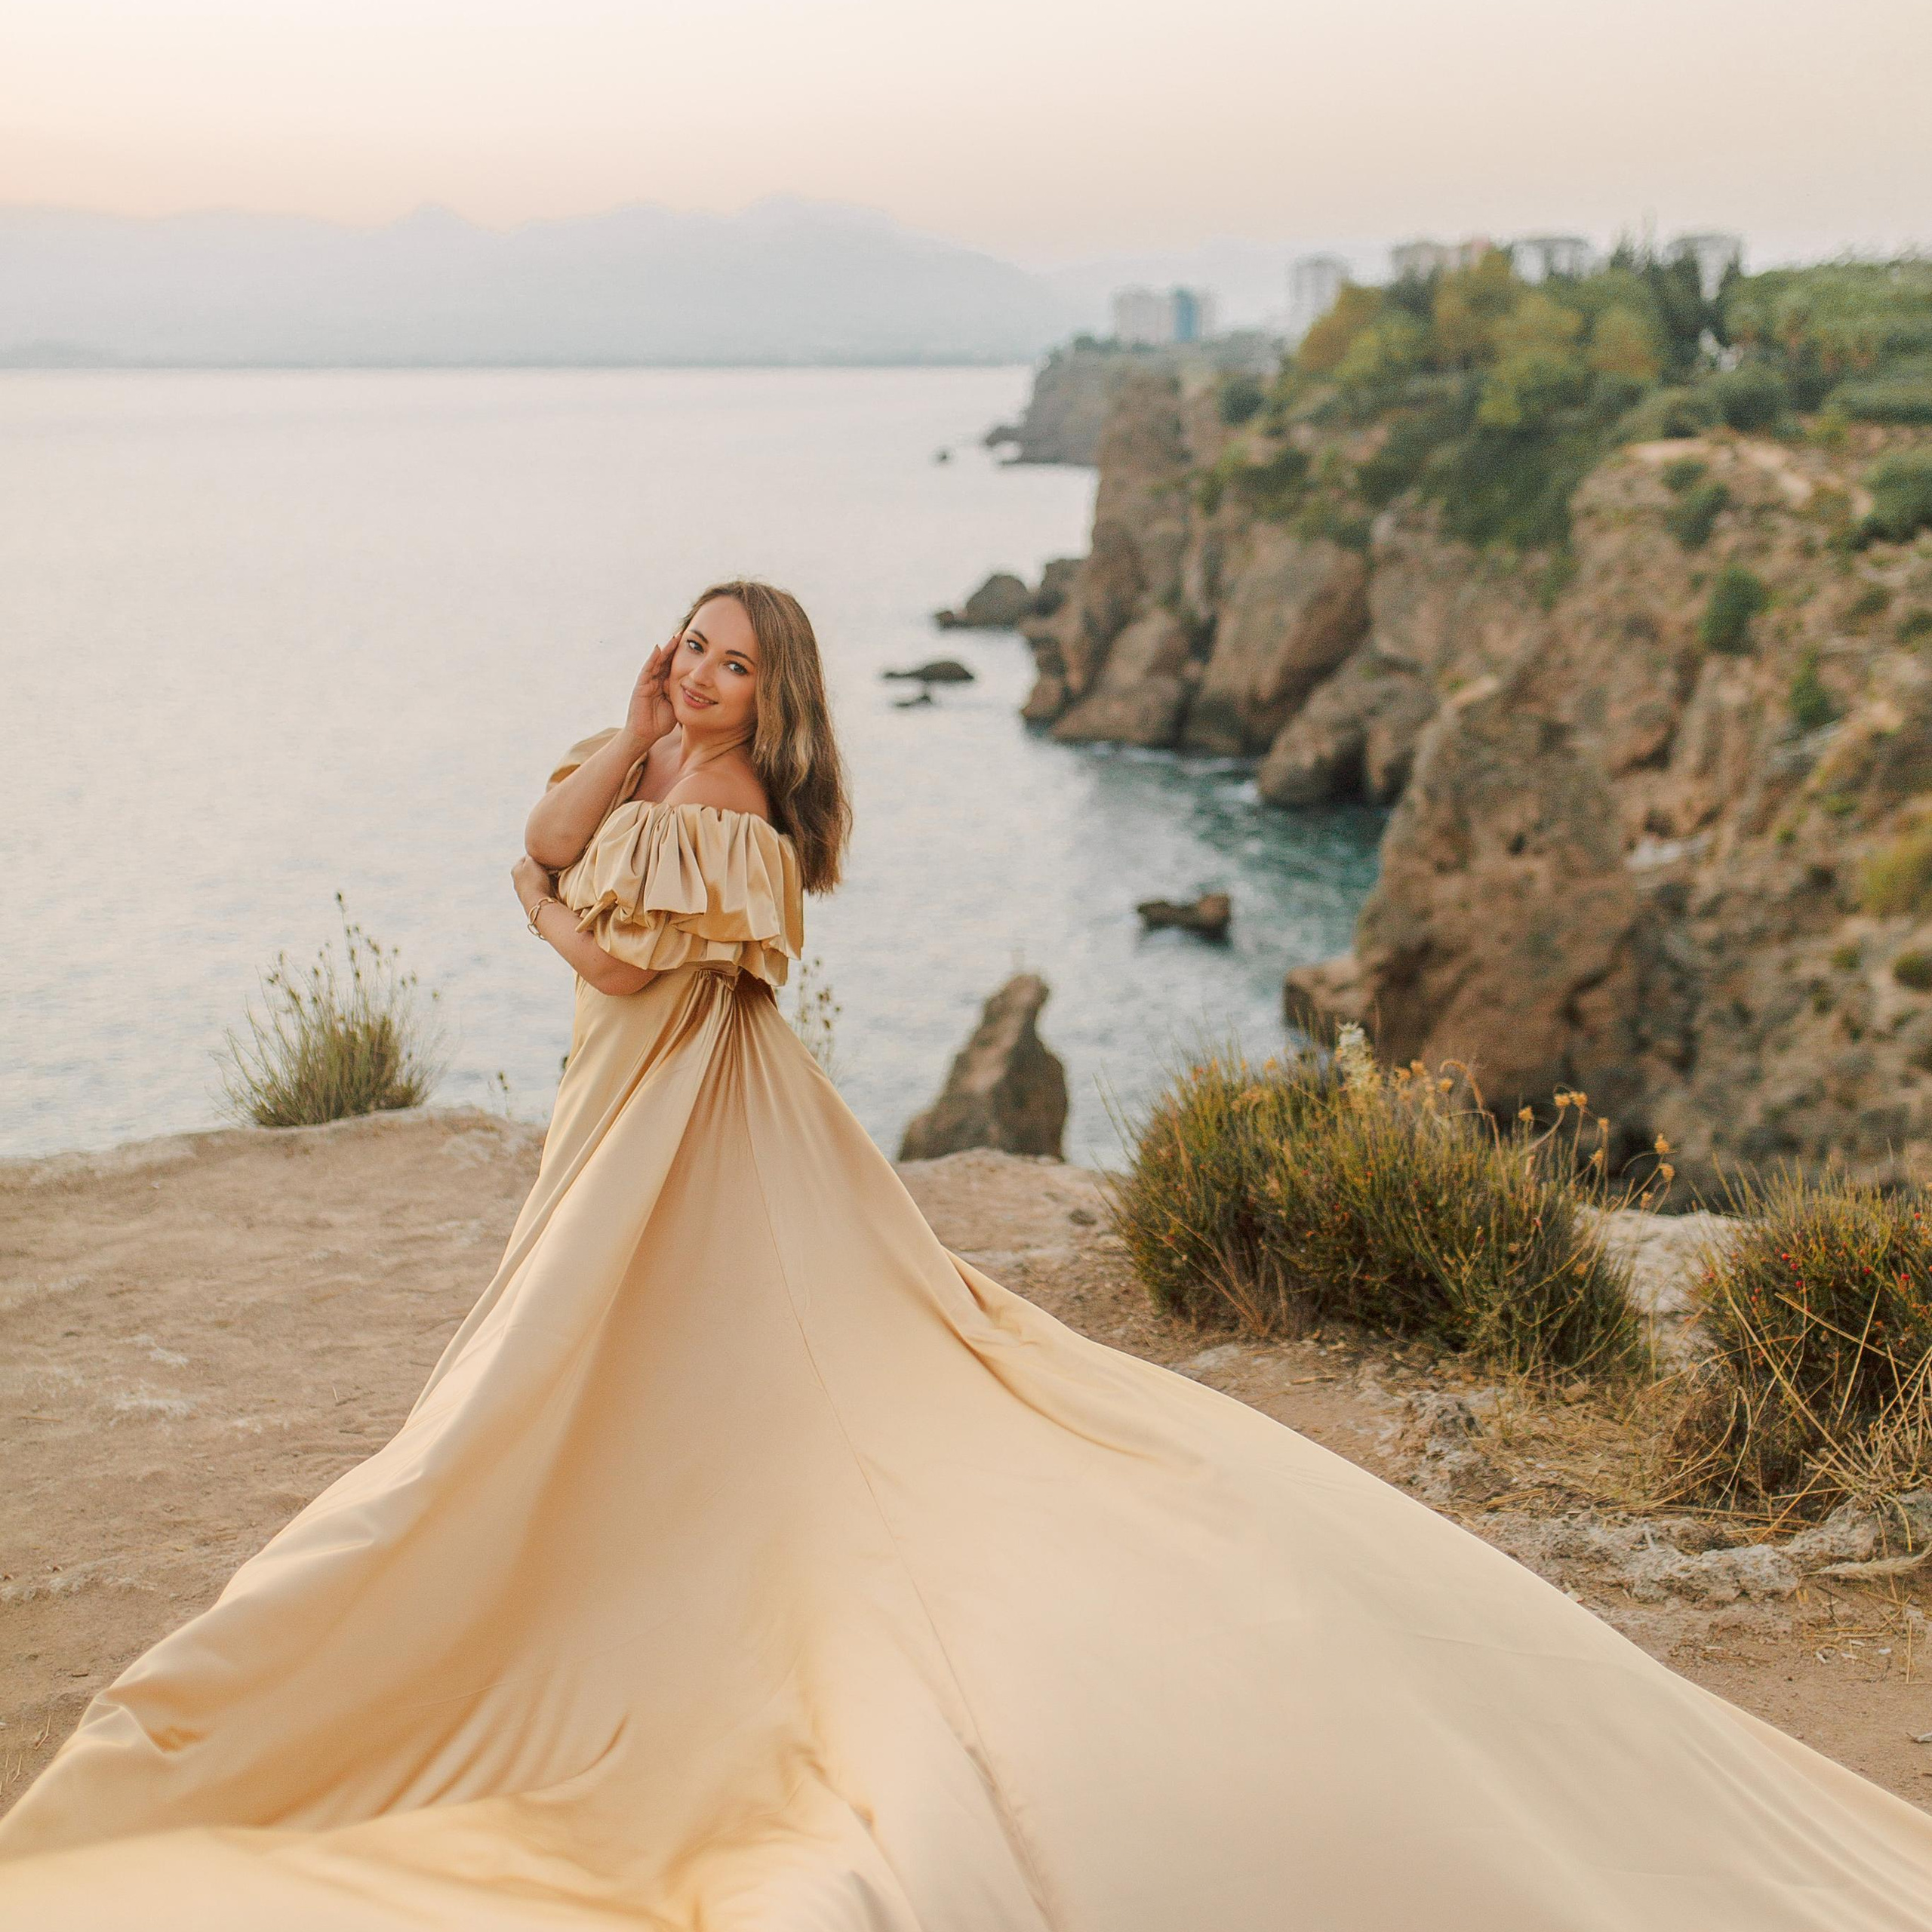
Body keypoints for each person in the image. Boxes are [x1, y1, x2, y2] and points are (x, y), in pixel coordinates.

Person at [2, 577, 1930, 1928]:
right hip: (614, 1100)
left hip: (691, 1116)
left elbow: (600, 943)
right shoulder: (646, 756)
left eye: (730, 664)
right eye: (689, 643)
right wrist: (591, 770)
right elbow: (549, 834)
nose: (697, 678)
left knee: (650, 1344)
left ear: (779, 700)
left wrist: (538, 889)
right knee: (568, 1327)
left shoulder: (747, 818)